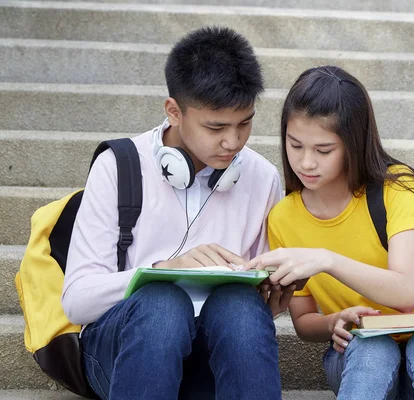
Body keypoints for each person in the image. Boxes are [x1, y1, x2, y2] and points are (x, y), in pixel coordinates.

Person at [61, 27, 293, 400]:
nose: (233, 142)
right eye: (216, 127)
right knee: (162, 304)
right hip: (122, 351)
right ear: (174, 111)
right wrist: (161, 271)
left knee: (240, 307)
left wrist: (271, 299)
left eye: (245, 123)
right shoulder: (118, 166)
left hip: (210, 360)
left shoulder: (261, 177)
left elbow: (253, 307)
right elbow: (76, 301)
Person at [245, 66, 414, 400]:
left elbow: (406, 292)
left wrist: (326, 260)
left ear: (353, 143)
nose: (306, 163)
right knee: (371, 345)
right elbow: (305, 321)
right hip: (360, 359)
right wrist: (335, 320)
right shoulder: (283, 218)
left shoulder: (397, 187)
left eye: (323, 150)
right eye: (295, 146)